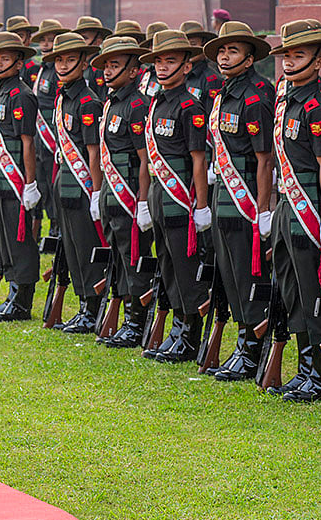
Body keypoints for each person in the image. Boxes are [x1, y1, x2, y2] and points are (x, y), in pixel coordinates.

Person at [267, 20, 321, 402]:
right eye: (287, 55)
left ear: (318, 60)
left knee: (312, 286)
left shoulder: (317, 105)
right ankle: (305, 364)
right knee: (291, 284)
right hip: (286, 203)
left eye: (299, 55)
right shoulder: (286, 97)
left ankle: (320, 372)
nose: (290, 62)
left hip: (310, 202)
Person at [202, 21, 275, 380]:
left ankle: (252, 347)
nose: (224, 56)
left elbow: (265, 159)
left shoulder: (257, 95)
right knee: (230, 273)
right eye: (221, 50)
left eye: (233, 50)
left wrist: (263, 210)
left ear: (249, 59)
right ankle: (243, 337)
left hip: (246, 195)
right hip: (223, 196)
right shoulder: (223, 94)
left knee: (249, 273)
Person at [139, 30, 212, 362]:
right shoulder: (156, 101)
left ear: (186, 66)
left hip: (181, 196)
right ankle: (177, 328)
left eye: (170, 61)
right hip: (159, 192)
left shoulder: (189, 105)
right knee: (167, 263)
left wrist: (201, 205)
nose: (162, 67)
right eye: (158, 61)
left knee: (185, 266)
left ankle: (189, 333)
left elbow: (199, 159)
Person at [91, 36, 154, 347]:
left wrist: (142, 202)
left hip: (130, 192)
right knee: (118, 255)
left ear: (134, 70)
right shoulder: (112, 101)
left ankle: (137, 322)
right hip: (112, 194)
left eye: (115, 65)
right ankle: (126, 316)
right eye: (106, 65)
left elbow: (145, 159)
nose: (107, 71)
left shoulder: (137, 105)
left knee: (134, 257)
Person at [42, 32, 105, 333]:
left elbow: (94, 153)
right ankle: (82, 305)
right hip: (64, 182)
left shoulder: (87, 101)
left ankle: (92, 308)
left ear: (84, 62)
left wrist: (95, 191)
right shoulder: (63, 98)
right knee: (70, 246)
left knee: (85, 247)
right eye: (59, 59)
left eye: (69, 59)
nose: (63, 65)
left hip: (82, 186)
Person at [0, 31, 41, 320]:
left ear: (19, 63)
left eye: (4, 58)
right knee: (4, 234)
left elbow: (28, 142)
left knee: (19, 237)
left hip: (15, 171)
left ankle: (22, 297)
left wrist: (30, 183)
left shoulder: (22, 95)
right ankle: (10, 290)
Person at [29, 19, 69, 240]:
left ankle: (57, 226)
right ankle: (49, 222)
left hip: (51, 134)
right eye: (42, 40)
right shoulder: (42, 69)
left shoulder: (57, 72)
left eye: (50, 39)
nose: (45, 44)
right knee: (42, 181)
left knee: (53, 181)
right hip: (39, 135)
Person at [72, 16, 111, 97]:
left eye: (85, 38)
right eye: (79, 38)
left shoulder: (100, 67)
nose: (81, 42)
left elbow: (102, 99)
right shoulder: (76, 64)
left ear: (98, 41)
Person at [5, 15, 40, 87]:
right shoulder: (2, 63)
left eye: (20, 36)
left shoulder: (32, 67)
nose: (17, 41)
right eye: (13, 36)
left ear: (29, 38)